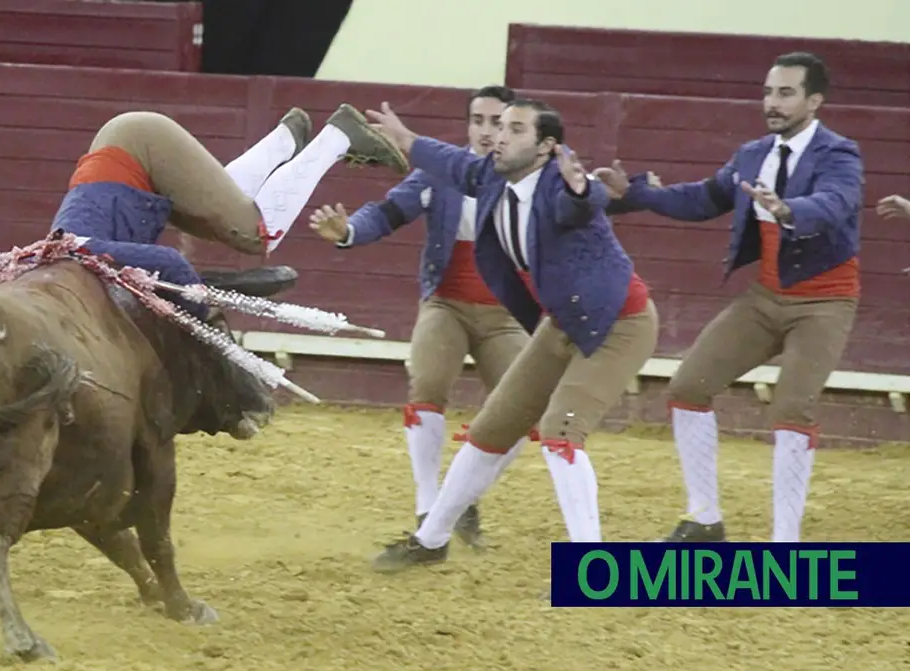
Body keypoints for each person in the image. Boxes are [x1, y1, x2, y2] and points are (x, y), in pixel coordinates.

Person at [362, 98, 659, 572]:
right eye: (500, 126)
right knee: (489, 431)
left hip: (618, 324)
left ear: (545, 148)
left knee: (561, 432)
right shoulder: (491, 179)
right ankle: (431, 539)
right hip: (563, 322)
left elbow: (584, 201)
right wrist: (404, 138)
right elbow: (452, 161)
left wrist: (585, 191)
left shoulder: (560, 185)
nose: (499, 136)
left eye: (515, 129)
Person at [597, 51, 863, 544]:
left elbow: (835, 203)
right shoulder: (753, 154)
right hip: (765, 297)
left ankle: (786, 543)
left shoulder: (839, 154)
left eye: (785, 93)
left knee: (791, 409)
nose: (772, 102)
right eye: (768, 91)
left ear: (815, 100)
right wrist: (632, 195)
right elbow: (702, 198)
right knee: (688, 387)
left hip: (824, 302)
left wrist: (788, 209)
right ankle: (703, 518)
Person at [306, 85, 528, 548]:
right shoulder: (443, 171)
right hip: (446, 303)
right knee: (428, 386)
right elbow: (388, 213)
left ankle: (458, 500)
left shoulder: (532, 179)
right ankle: (429, 507)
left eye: (498, 122)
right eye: (479, 121)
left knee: (523, 412)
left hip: (507, 314)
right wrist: (349, 231)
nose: (487, 132)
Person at [50, 104, 409, 318]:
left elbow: (171, 264)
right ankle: (283, 141)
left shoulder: (76, 258)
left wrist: (200, 312)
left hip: (137, 150)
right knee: (217, 221)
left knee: (257, 234)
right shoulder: (59, 263)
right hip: (132, 153)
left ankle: (340, 135)